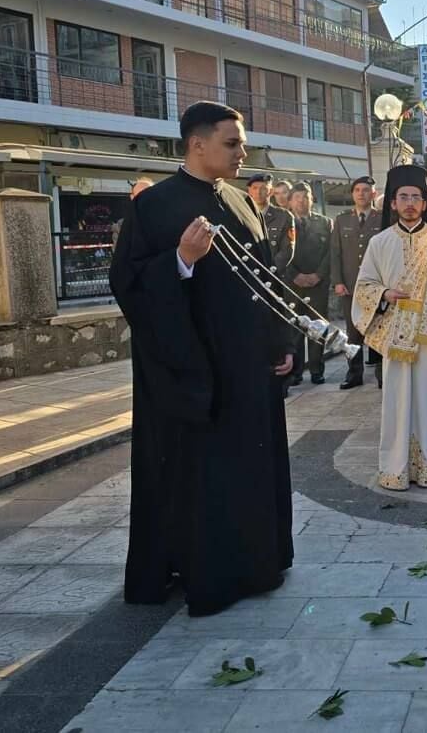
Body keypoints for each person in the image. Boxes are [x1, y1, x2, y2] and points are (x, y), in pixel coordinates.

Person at [109, 101, 293, 616]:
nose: (243, 152)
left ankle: (257, 564)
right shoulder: (154, 206)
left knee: (249, 468)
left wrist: (280, 343)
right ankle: (208, 574)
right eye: (232, 143)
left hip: (248, 365)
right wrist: (180, 261)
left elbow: (265, 280)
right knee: (203, 477)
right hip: (195, 371)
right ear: (198, 144)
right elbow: (128, 283)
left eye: (242, 143)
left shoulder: (242, 200)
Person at [353, 165, 427, 490]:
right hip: (396, 330)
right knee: (398, 400)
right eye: (404, 197)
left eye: (416, 197)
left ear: (425, 203)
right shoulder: (380, 242)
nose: (410, 203)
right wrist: (385, 293)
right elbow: (364, 286)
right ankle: (396, 466)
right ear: (394, 203)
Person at [331, 176, 381, 390]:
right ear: (352, 194)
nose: (361, 193)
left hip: (378, 286)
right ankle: (354, 374)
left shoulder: (382, 218)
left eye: (366, 190)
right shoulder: (342, 220)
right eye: (358, 190)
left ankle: (382, 374)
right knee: (353, 333)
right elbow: (335, 253)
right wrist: (338, 282)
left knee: (378, 328)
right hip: (351, 285)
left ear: (374, 194)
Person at [285, 183, 333, 387]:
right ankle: (296, 372)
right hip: (292, 284)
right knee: (294, 329)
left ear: (312, 199)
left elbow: (332, 252)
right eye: (297, 197)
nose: (302, 201)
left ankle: (316, 370)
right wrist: (294, 275)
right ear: (290, 201)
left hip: (317, 284)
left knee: (317, 329)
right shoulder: (283, 223)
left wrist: (318, 275)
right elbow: (278, 254)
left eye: (306, 197)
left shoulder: (325, 223)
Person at [247, 172, 296, 275]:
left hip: (273, 276)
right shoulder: (242, 214)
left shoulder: (284, 216)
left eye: (263, 188)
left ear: (271, 192)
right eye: (255, 188)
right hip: (247, 275)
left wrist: (268, 272)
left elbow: (287, 251)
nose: (259, 192)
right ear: (249, 191)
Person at [111, 178, 155, 244]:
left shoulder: (168, 221)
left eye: (148, 194)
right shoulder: (121, 227)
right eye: (139, 195)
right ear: (132, 197)